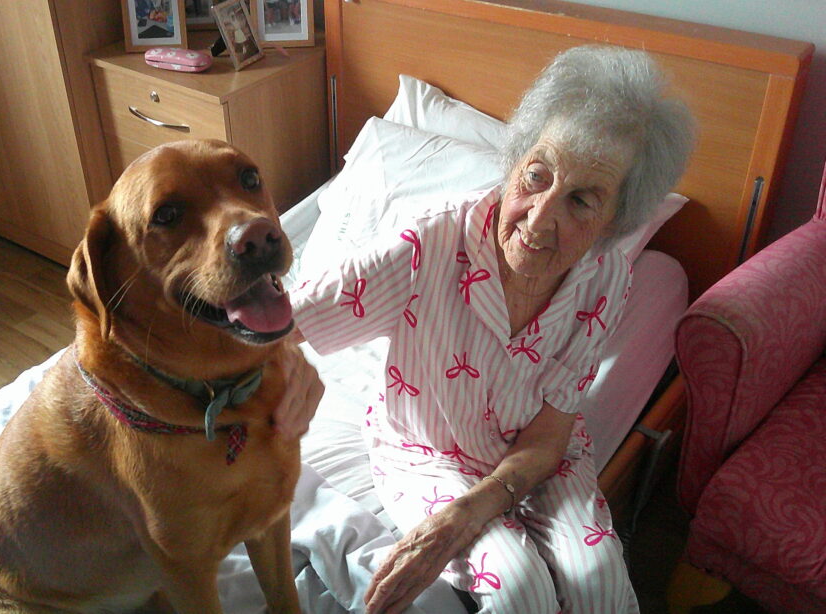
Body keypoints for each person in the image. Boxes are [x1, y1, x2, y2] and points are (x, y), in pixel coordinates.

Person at [275, 45, 695, 613]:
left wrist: (476, 507)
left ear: (614, 220)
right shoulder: (426, 247)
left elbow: (551, 431)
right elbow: (285, 321)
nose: (539, 218)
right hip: (428, 449)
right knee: (520, 588)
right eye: (537, 176)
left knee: (598, 577)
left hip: (540, 452)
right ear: (516, 160)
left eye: (581, 201)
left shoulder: (607, 277)